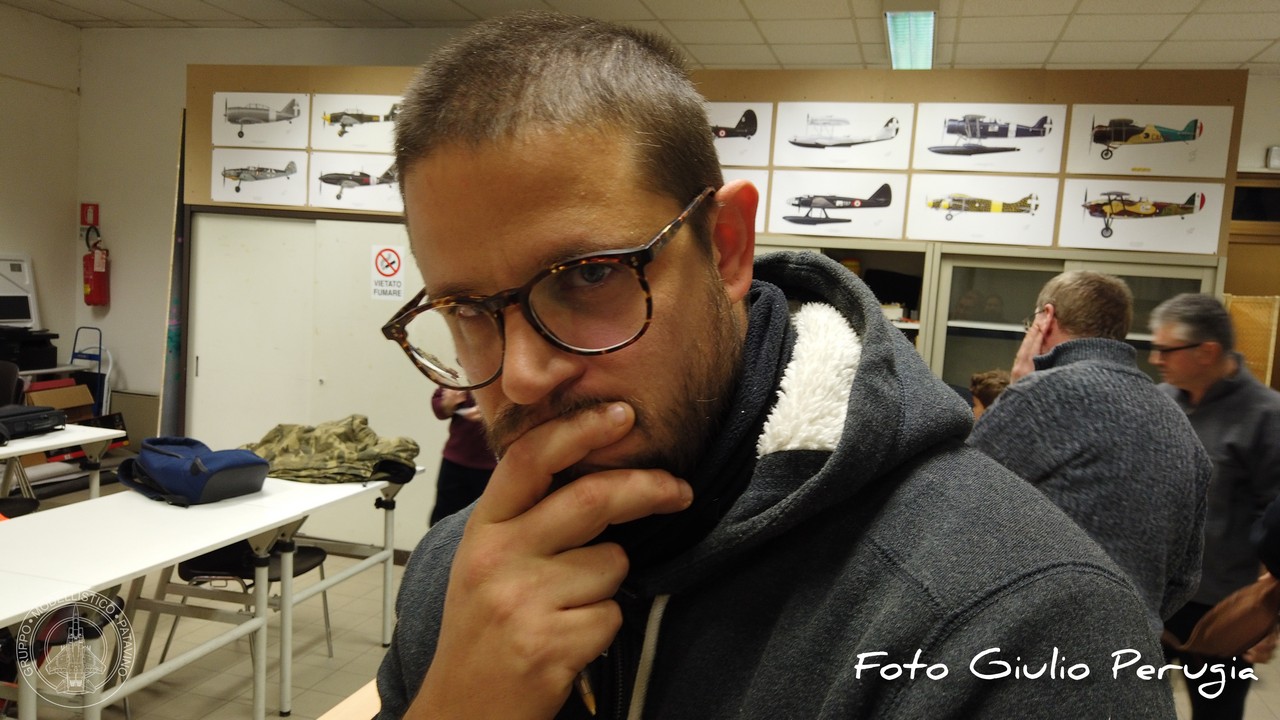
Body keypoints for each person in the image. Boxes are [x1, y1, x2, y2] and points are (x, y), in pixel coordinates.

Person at [376, 12, 1175, 719]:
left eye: (589, 276)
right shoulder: (458, 578)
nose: (521, 377)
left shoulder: (1025, 623)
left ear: (726, 248)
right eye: (467, 310)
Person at [967, 271, 1211, 640]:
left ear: (1046, 318)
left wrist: (1020, 388)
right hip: (1131, 651)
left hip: (1033, 647)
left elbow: (959, 508)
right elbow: (1184, 579)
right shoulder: (1179, 424)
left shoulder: (1040, 396)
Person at [1150, 292, 1280, 719]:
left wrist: (1266, 619)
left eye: (1166, 349)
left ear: (1206, 351)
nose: (1155, 358)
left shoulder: (1266, 416)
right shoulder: (1160, 401)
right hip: (1153, 598)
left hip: (1222, 609)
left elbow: (1275, 524)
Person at [429, 387, 496, 525]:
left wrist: (493, 413)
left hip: (491, 465)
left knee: (482, 520)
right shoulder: (461, 377)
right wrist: (447, 404)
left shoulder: (503, 380)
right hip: (454, 461)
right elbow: (439, 405)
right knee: (443, 518)